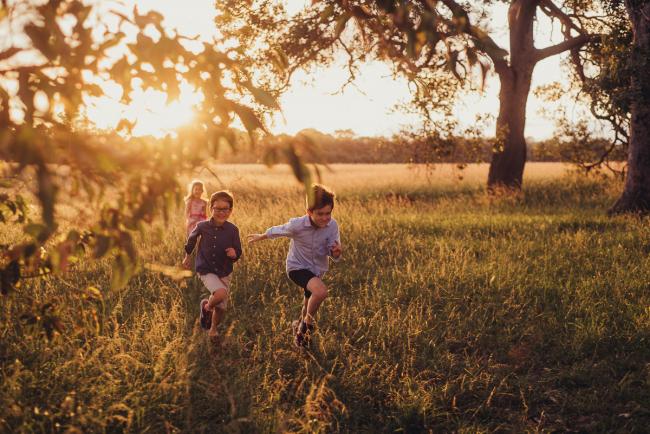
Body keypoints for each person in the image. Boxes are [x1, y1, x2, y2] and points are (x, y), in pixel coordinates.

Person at [247, 184, 342, 348]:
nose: (324, 218)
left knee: (308, 305)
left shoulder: (332, 226)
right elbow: (280, 230)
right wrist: (261, 236)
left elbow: (333, 252)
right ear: (309, 212)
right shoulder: (297, 225)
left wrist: (336, 252)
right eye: (320, 214)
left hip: (317, 270)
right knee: (320, 292)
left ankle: (298, 324)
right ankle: (305, 329)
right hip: (296, 267)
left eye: (328, 213)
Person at [183, 190, 242, 339]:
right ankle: (207, 307)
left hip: (224, 270)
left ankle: (213, 329)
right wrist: (187, 256)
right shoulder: (202, 226)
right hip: (206, 268)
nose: (221, 212)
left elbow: (238, 250)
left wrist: (234, 254)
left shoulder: (233, 230)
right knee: (221, 293)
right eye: (217, 209)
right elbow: (191, 240)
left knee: (221, 307)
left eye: (225, 209)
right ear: (211, 208)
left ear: (230, 210)